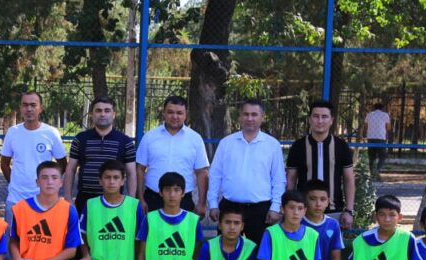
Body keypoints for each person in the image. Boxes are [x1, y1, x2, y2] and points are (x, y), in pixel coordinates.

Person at [208, 99, 285, 248]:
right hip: (230, 207)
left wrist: (275, 207)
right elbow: (215, 175)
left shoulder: (272, 145)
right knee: (225, 251)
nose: (250, 118)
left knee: (259, 253)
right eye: (246, 114)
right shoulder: (226, 143)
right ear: (240, 116)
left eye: (254, 114)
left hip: (260, 210)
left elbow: (278, 180)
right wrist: (213, 204)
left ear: (263, 117)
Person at [0, 90, 67, 229]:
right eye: (25, 105)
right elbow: (4, 163)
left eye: (33, 105)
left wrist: (50, 184)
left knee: (42, 240)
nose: (29, 109)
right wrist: (14, 182)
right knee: (13, 240)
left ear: (41, 108)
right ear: (20, 108)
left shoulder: (51, 133)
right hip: (16, 199)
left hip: (44, 200)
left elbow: (62, 164)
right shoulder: (13, 132)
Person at [285, 99, 355, 228]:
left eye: (324, 117)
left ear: (331, 120)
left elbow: (349, 179)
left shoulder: (341, 146)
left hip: (334, 211)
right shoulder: (298, 146)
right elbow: (291, 179)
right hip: (303, 212)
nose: (320, 120)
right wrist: (288, 207)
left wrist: (349, 210)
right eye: (316, 116)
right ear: (310, 119)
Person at [135, 96, 209, 216]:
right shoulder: (149, 137)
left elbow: (202, 172)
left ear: (186, 115)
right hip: (153, 200)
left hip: (184, 201)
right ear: (164, 113)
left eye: (179, 113)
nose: (175, 116)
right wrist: (140, 199)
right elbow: (140, 169)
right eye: (170, 112)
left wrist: (202, 203)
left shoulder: (195, 139)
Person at [64, 97, 137, 214]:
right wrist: (68, 198)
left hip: (114, 201)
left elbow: (131, 173)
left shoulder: (125, 141)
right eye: (98, 110)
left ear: (113, 115)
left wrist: (131, 200)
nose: (102, 114)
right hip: (85, 200)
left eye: (107, 111)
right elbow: (70, 169)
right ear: (92, 114)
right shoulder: (80, 139)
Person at [362, 102, 392, 179]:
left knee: (371, 157)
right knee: (383, 155)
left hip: (370, 138)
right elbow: (388, 128)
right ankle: (377, 170)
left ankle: (372, 173)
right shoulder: (385, 115)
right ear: (382, 108)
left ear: (374, 108)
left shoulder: (369, 115)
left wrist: (365, 134)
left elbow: (365, 126)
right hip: (381, 138)